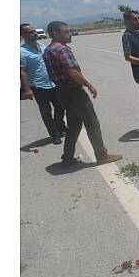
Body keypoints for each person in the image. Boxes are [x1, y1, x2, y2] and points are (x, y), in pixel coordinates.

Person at [42, 21, 122, 168]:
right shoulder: (62, 49)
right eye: (66, 32)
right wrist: (89, 85)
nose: (70, 33)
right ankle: (102, 155)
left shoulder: (48, 50)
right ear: (55, 33)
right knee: (92, 123)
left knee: (74, 125)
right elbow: (72, 71)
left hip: (61, 91)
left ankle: (67, 157)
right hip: (74, 92)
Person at [20, 23, 67, 144]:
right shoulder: (21, 52)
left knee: (60, 107)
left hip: (52, 82)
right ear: (22, 35)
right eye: (30, 32)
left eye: (34, 30)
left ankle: (60, 125)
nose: (34, 33)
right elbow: (22, 71)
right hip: (38, 86)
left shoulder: (42, 46)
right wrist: (26, 89)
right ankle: (54, 134)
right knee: (46, 111)